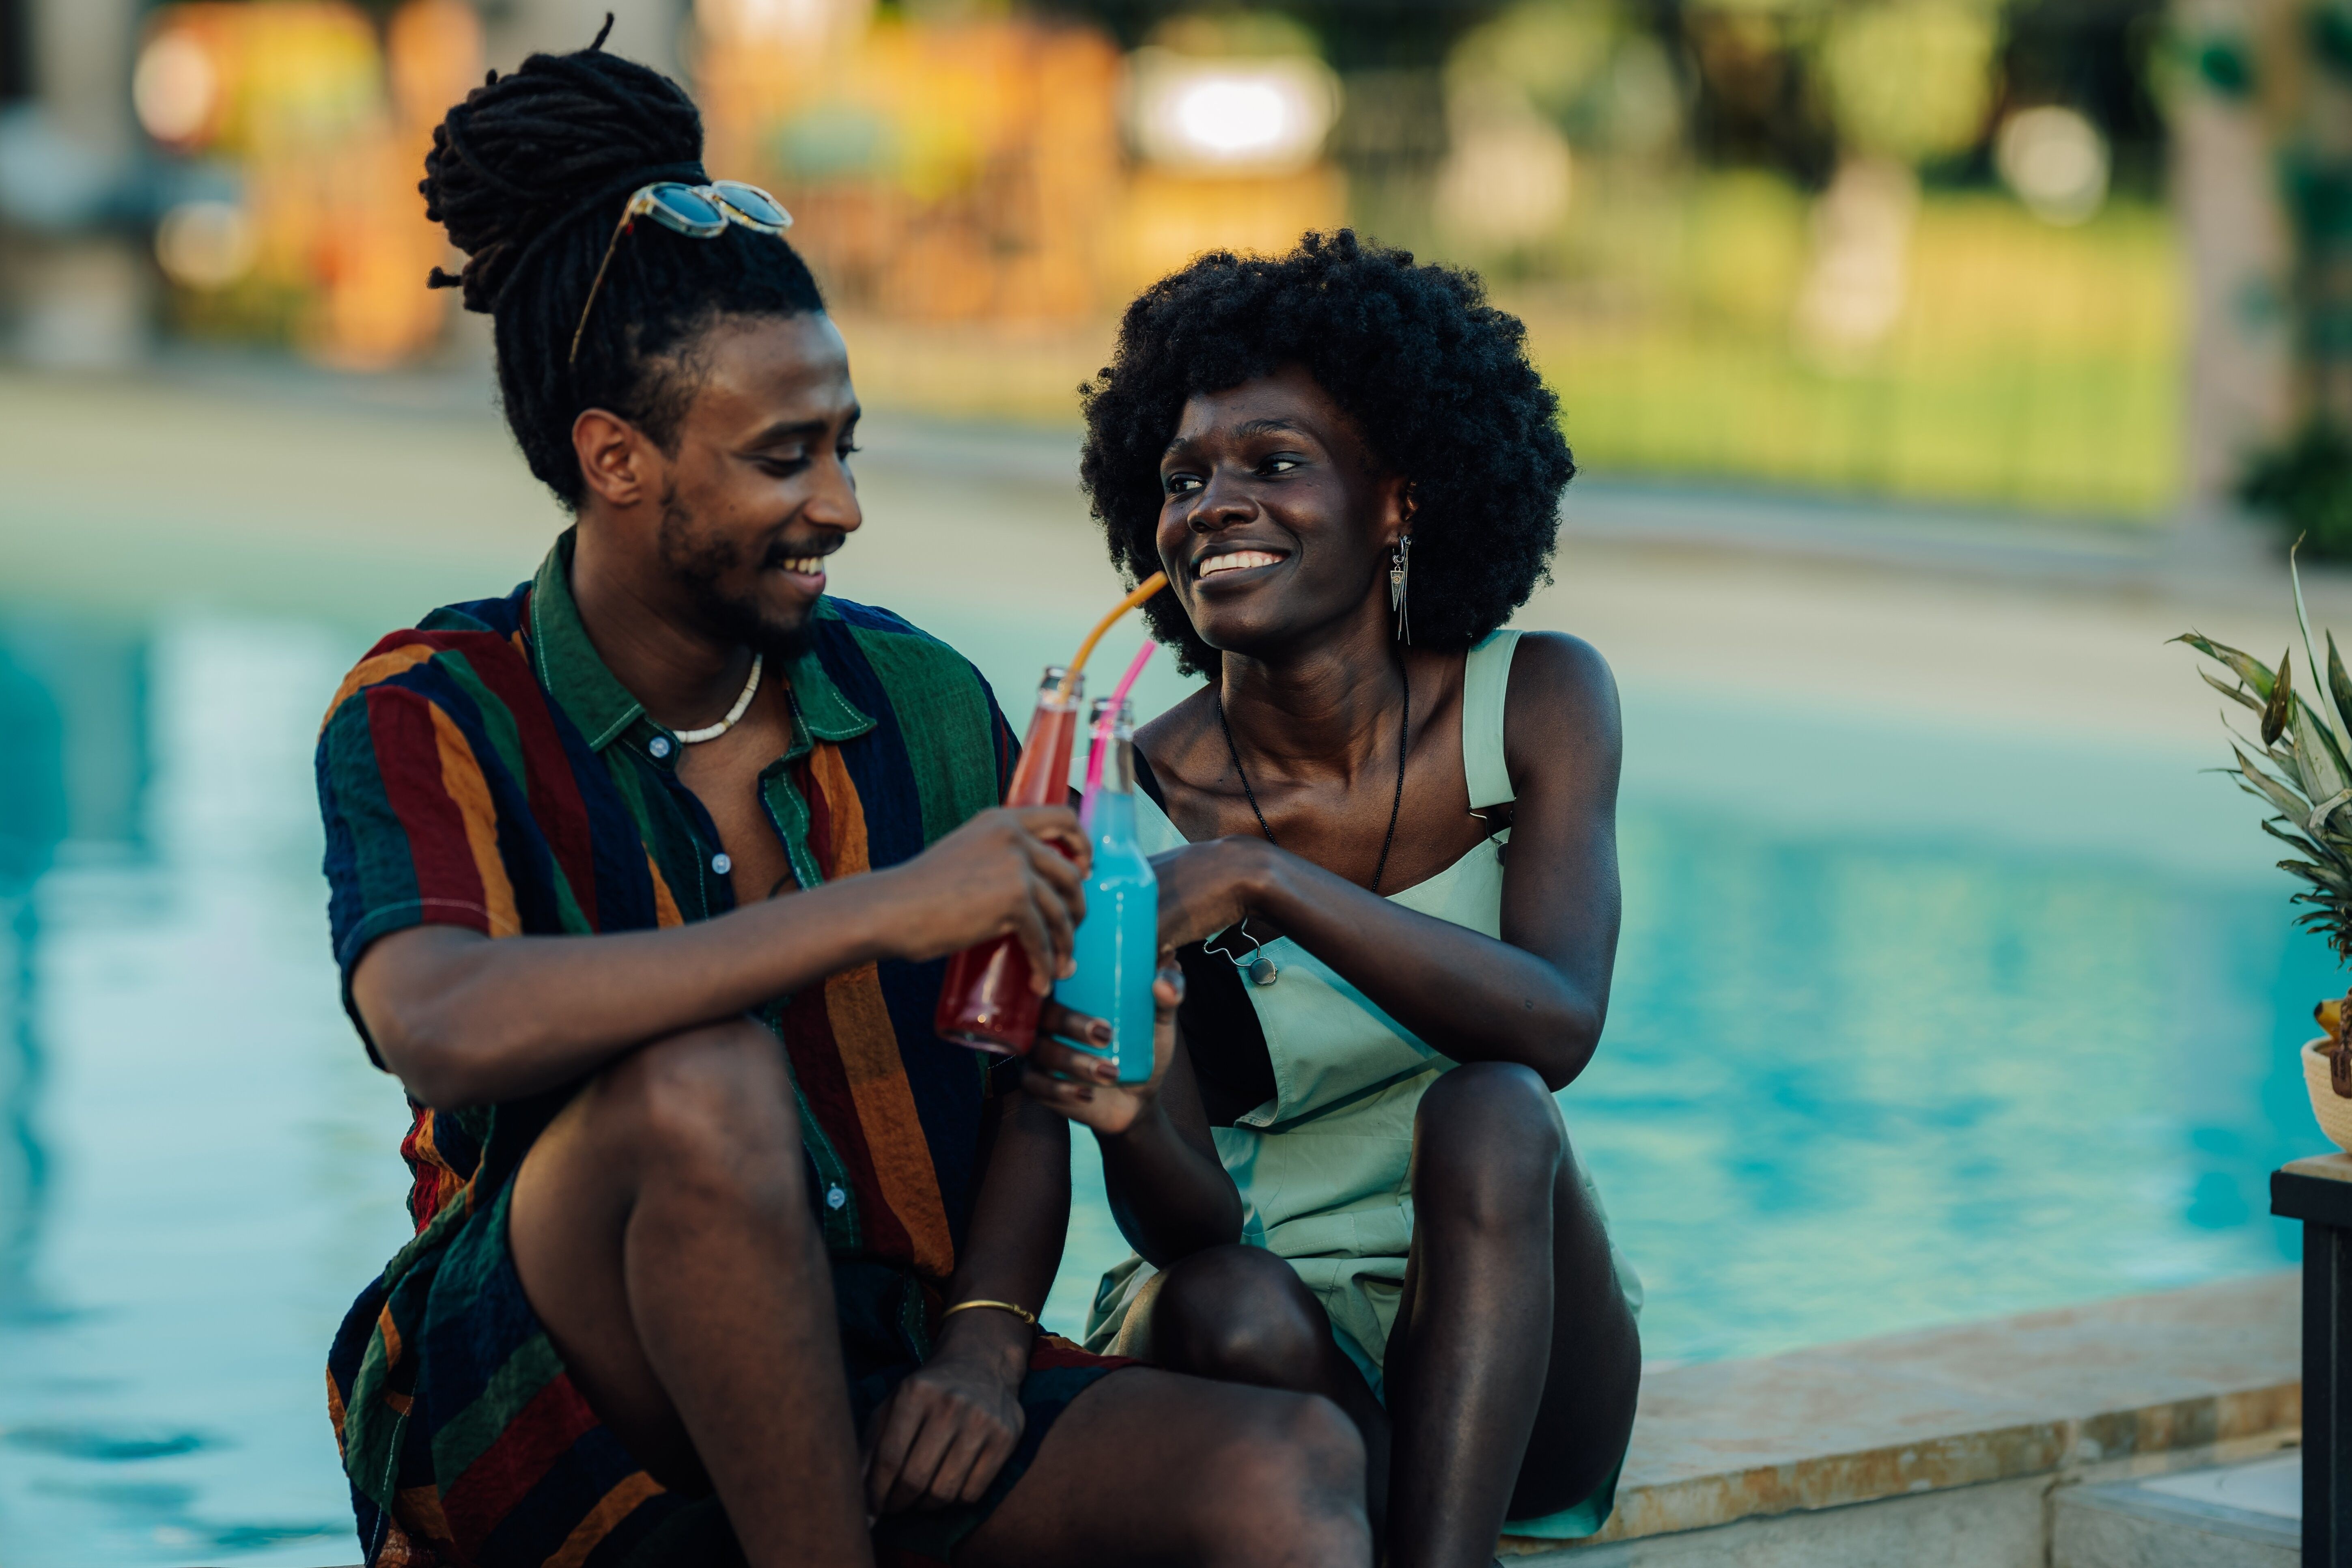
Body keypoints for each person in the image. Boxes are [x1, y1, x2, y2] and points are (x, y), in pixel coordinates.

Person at [316, 34, 1369, 1568]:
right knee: (704, 1086)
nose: (842, 505)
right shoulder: (435, 704)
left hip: (886, 1348)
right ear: (617, 459)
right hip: (569, 1392)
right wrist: (885, 907)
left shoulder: (922, 702)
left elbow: (1023, 1069)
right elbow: (434, 1015)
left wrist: (985, 1346)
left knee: (1291, 1468)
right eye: (783, 458)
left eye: (846, 446)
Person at [1018, 232, 1643, 1568]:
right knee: (1226, 1295)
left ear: (1402, 499)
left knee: (1492, 1109)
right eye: (1183, 478)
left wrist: (1262, 879)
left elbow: (1553, 1027)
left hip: (1513, 1328)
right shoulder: (1126, 804)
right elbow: (1184, 1227)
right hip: (1266, 1354)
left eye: (1274, 464)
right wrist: (1127, 1113)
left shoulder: (1535, 699)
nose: (1214, 505)